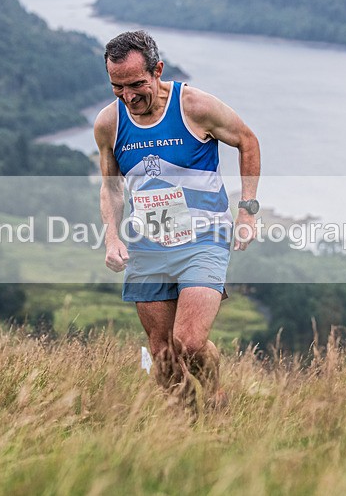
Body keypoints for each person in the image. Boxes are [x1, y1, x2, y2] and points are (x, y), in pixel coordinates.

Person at [94, 30, 261, 409]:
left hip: (204, 238)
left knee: (188, 341)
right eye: (117, 87)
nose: (129, 96)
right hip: (149, 245)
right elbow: (111, 188)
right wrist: (112, 238)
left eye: (137, 84)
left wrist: (248, 209)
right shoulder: (109, 123)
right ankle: (187, 423)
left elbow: (247, 141)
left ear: (158, 70)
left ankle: (215, 397)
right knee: (163, 354)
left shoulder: (194, 107)